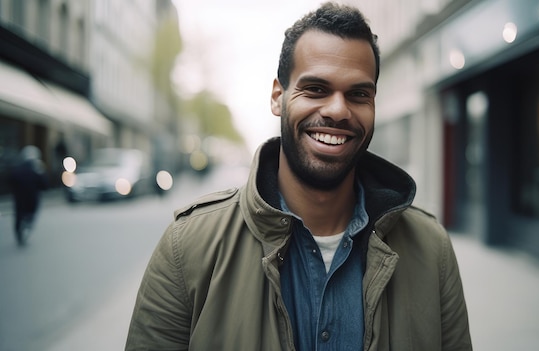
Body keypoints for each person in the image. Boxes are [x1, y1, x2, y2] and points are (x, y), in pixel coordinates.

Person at [125, 2, 472, 350]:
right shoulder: (188, 247)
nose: (338, 110)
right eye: (316, 89)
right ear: (279, 97)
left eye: (358, 94)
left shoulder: (431, 249)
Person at [9, 145, 47, 246]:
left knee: (18, 215)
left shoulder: (18, 167)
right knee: (31, 214)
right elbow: (44, 185)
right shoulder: (37, 168)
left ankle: (19, 233)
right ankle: (27, 225)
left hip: (19, 198)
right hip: (32, 198)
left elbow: (11, 180)